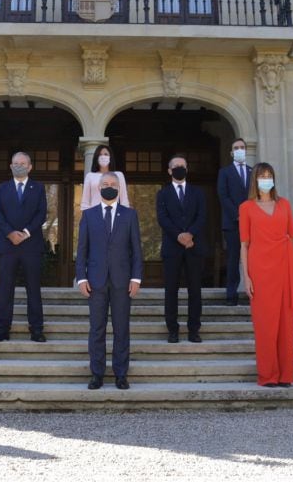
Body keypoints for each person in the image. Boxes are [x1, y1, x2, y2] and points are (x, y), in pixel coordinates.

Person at [76, 172, 144, 390]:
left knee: (121, 328)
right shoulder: (88, 215)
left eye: (113, 184)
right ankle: (96, 374)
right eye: (105, 184)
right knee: (97, 329)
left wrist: (136, 278)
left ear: (119, 188)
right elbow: (82, 250)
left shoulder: (130, 215)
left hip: (122, 281)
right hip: (95, 281)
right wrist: (81, 278)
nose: (109, 187)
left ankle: (121, 374)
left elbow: (136, 250)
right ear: (98, 188)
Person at [239, 162, 293, 387]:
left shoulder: (284, 204)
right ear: (255, 180)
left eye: (269, 175)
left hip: (285, 267)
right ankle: (268, 375)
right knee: (265, 324)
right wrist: (246, 276)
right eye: (262, 176)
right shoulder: (246, 207)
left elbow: (292, 237)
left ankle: (286, 375)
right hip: (260, 271)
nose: (266, 179)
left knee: (286, 324)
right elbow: (244, 245)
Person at [0, 152, 48, 343]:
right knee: (5, 289)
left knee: (33, 288)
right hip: (7, 245)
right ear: (10, 166)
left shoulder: (38, 188)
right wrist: (10, 233)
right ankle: (2, 330)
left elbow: (41, 214)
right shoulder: (2, 188)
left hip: (31, 245)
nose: (19, 166)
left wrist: (24, 233)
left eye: (23, 163)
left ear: (30, 166)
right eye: (15, 163)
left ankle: (37, 330)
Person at [156, 154, 207, 343]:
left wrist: (190, 234)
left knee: (195, 290)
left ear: (187, 169)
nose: (179, 168)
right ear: (169, 170)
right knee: (171, 291)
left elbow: (202, 216)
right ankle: (173, 330)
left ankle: (194, 329)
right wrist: (178, 235)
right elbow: (163, 218)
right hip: (172, 248)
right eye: (176, 166)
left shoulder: (198, 192)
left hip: (194, 247)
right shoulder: (163, 193)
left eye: (183, 166)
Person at [217, 138, 252, 306]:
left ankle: (254, 291)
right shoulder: (225, 172)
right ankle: (231, 294)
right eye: (236, 148)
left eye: (242, 147)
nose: (239, 150)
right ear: (231, 152)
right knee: (233, 258)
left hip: (253, 225)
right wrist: (238, 215)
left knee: (254, 259)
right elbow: (223, 196)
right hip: (232, 223)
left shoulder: (253, 172)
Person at [80, 144, 129, 209]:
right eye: (100, 155)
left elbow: (124, 200)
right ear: (96, 157)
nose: (103, 157)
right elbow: (85, 202)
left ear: (110, 157)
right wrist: (88, 216)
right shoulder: (90, 176)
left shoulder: (119, 175)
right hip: (95, 215)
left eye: (106, 154)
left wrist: (125, 216)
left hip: (114, 214)